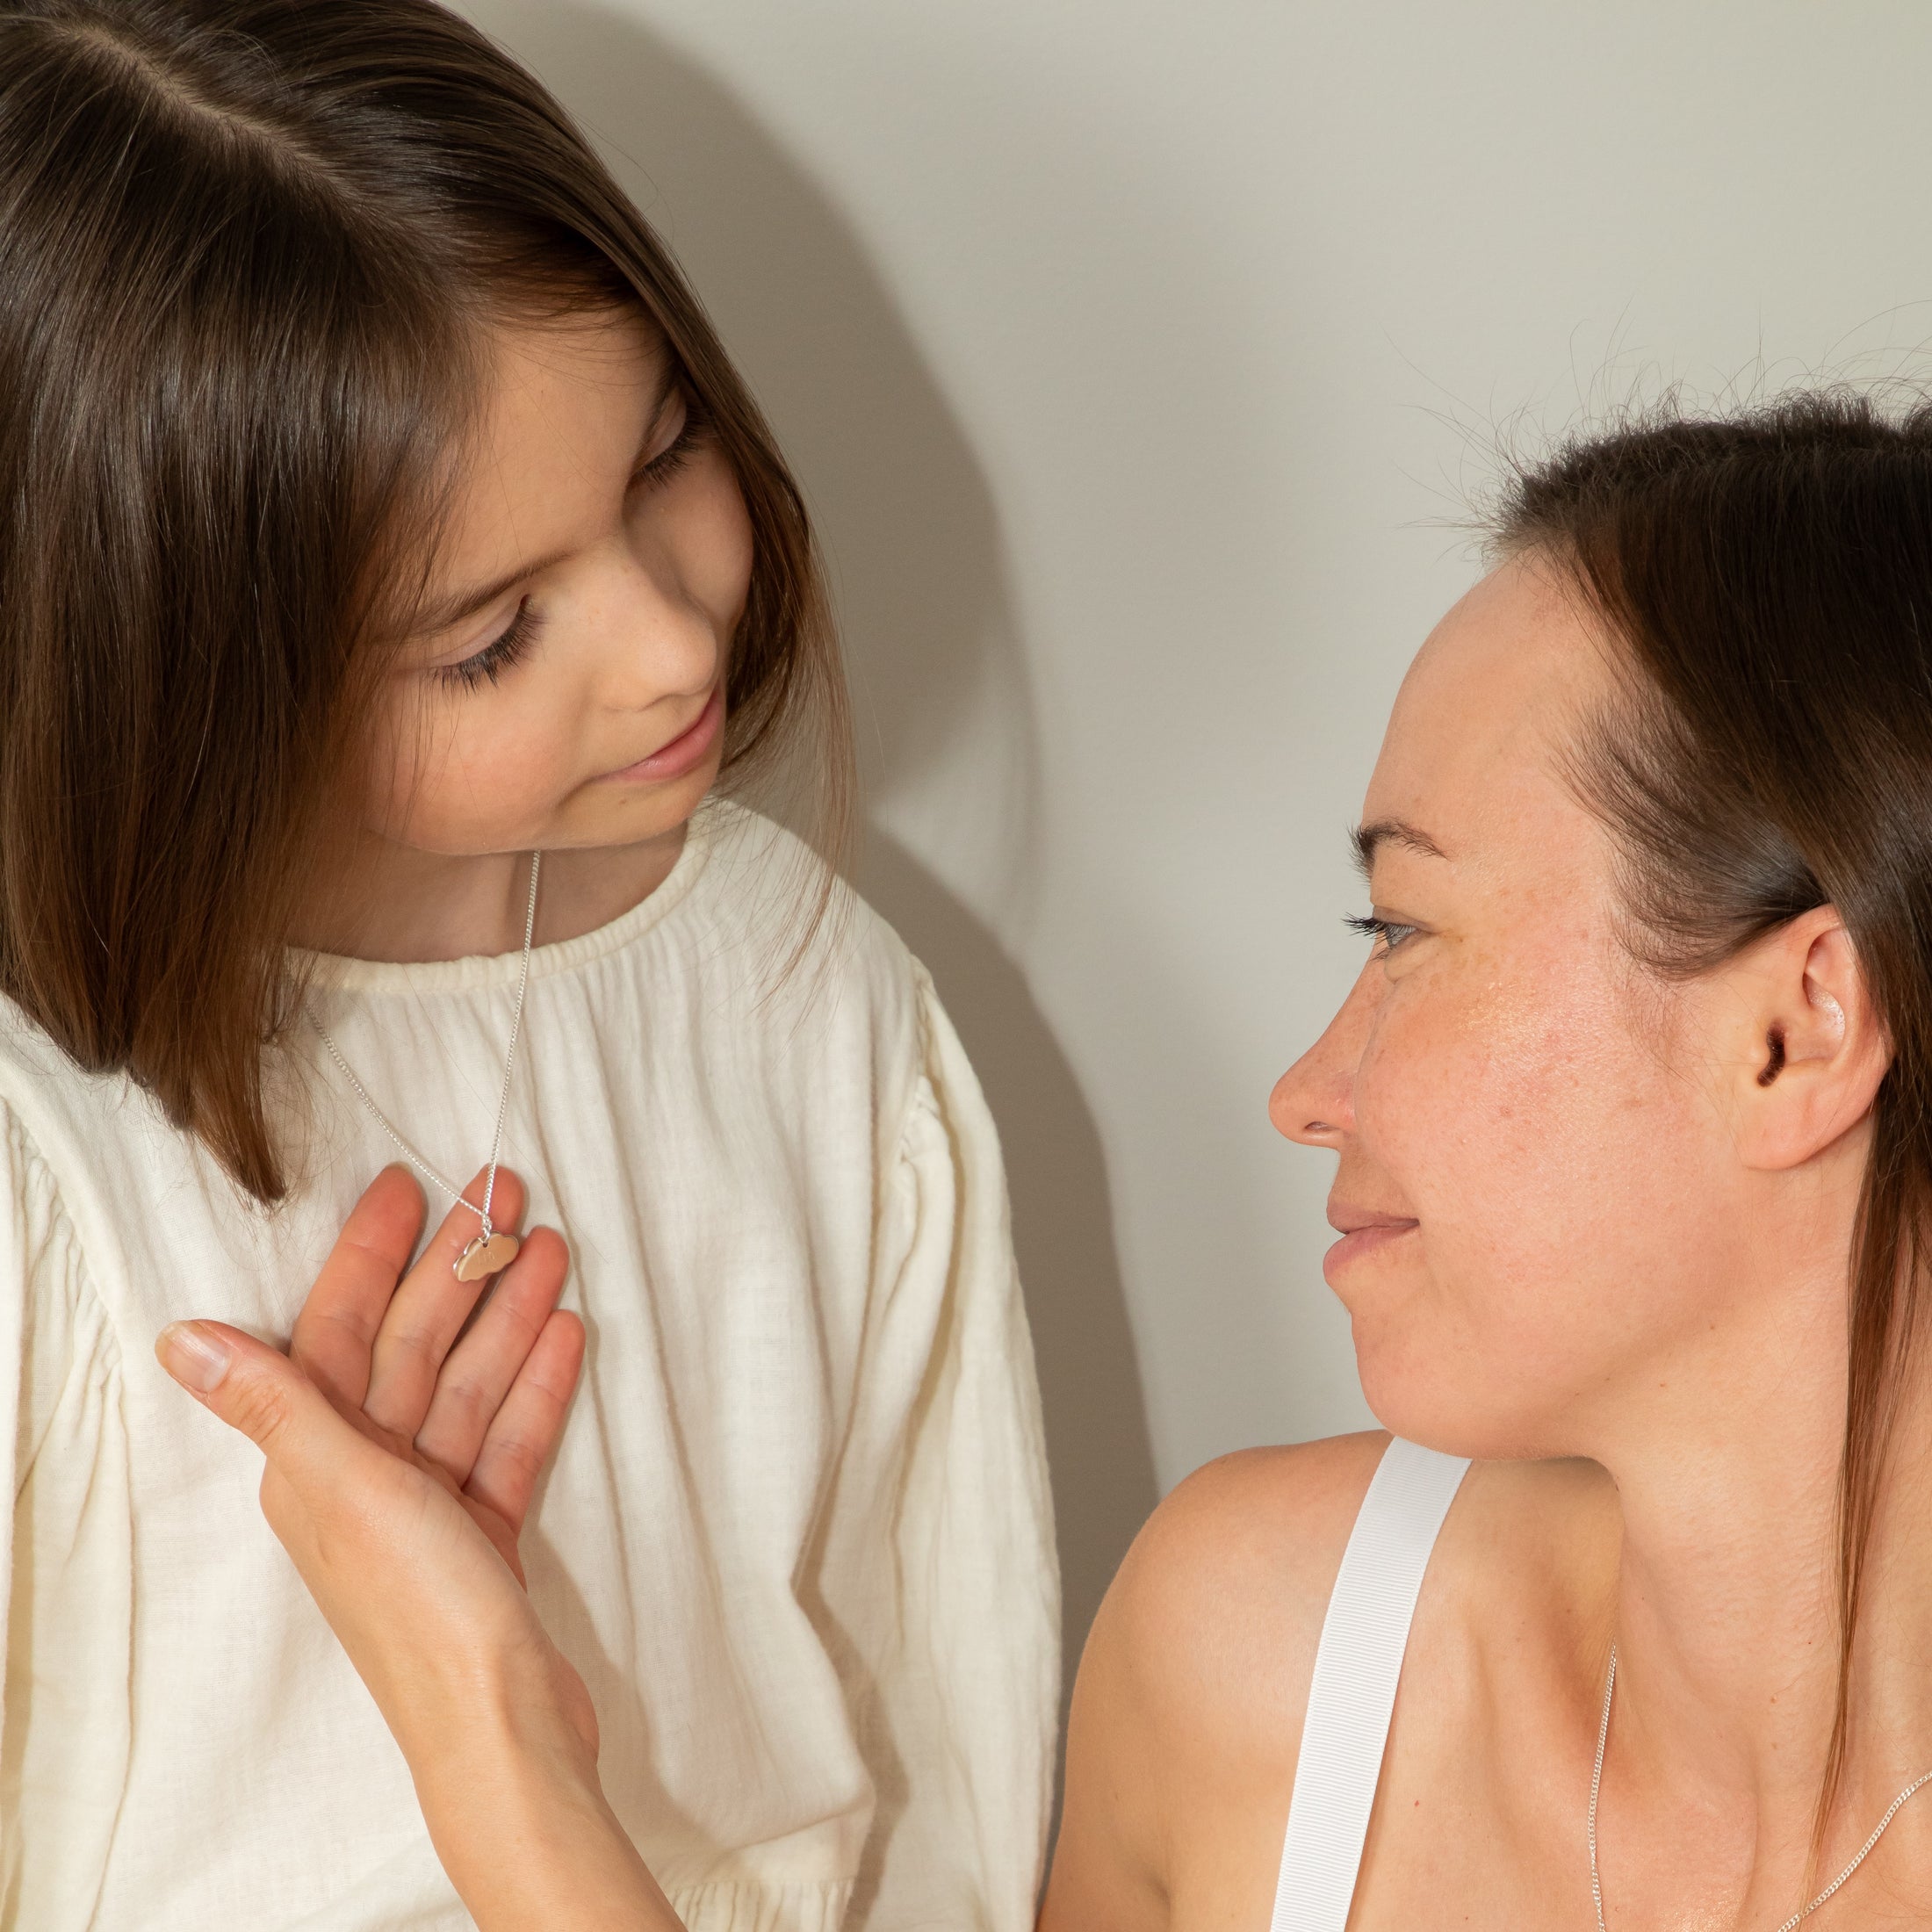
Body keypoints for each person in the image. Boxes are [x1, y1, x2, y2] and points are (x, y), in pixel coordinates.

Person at [171, 389, 1932, 1929]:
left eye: (1399, 927)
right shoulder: (1259, 1650)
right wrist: (501, 1726)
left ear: (1790, 1029)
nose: (1308, 1089)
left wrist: (494, 1757)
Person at [0, 4, 1056, 1928]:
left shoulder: (810, 991)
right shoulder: (43, 1162)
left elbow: (951, 1759)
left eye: (665, 459)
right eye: (490, 636)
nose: (667, 648)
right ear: (179, 675)